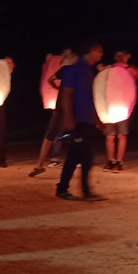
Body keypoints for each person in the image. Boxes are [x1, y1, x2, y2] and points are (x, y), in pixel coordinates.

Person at [55, 41, 104, 201]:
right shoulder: (75, 69)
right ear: (91, 50)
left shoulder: (88, 70)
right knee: (85, 155)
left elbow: (90, 98)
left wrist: (96, 118)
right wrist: (69, 119)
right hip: (77, 121)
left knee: (75, 155)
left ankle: (63, 189)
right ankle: (84, 191)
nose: (101, 54)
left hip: (85, 120)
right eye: (99, 51)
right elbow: (66, 94)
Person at [29, 49, 76, 177]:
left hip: (61, 107)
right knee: (70, 134)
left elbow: (50, 79)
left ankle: (39, 164)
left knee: (51, 135)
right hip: (69, 108)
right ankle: (73, 159)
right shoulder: (74, 72)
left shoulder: (65, 70)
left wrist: (58, 88)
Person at [102, 49, 138, 172]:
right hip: (110, 106)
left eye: (121, 55)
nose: (119, 57)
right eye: (117, 55)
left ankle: (119, 161)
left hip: (123, 106)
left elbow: (136, 74)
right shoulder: (110, 69)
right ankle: (111, 160)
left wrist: (124, 67)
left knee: (121, 135)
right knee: (110, 136)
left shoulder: (129, 69)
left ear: (127, 56)